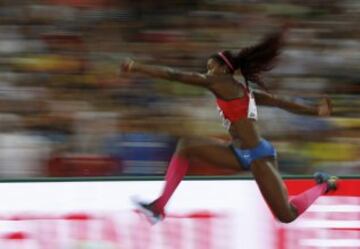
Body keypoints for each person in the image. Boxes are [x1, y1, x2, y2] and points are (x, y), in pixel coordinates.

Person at [121, 28, 338, 225]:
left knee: (286, 215)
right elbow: (281, 102)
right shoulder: (245, 92)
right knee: (186, 145)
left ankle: (324, 184)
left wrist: (137, 67)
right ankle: (158, 207)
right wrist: (315, 111)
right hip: (237, 152)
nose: (208, 72)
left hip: (258, 157)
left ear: (225, 68)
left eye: (211, 67)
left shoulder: (219, 83)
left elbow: (175, 75)